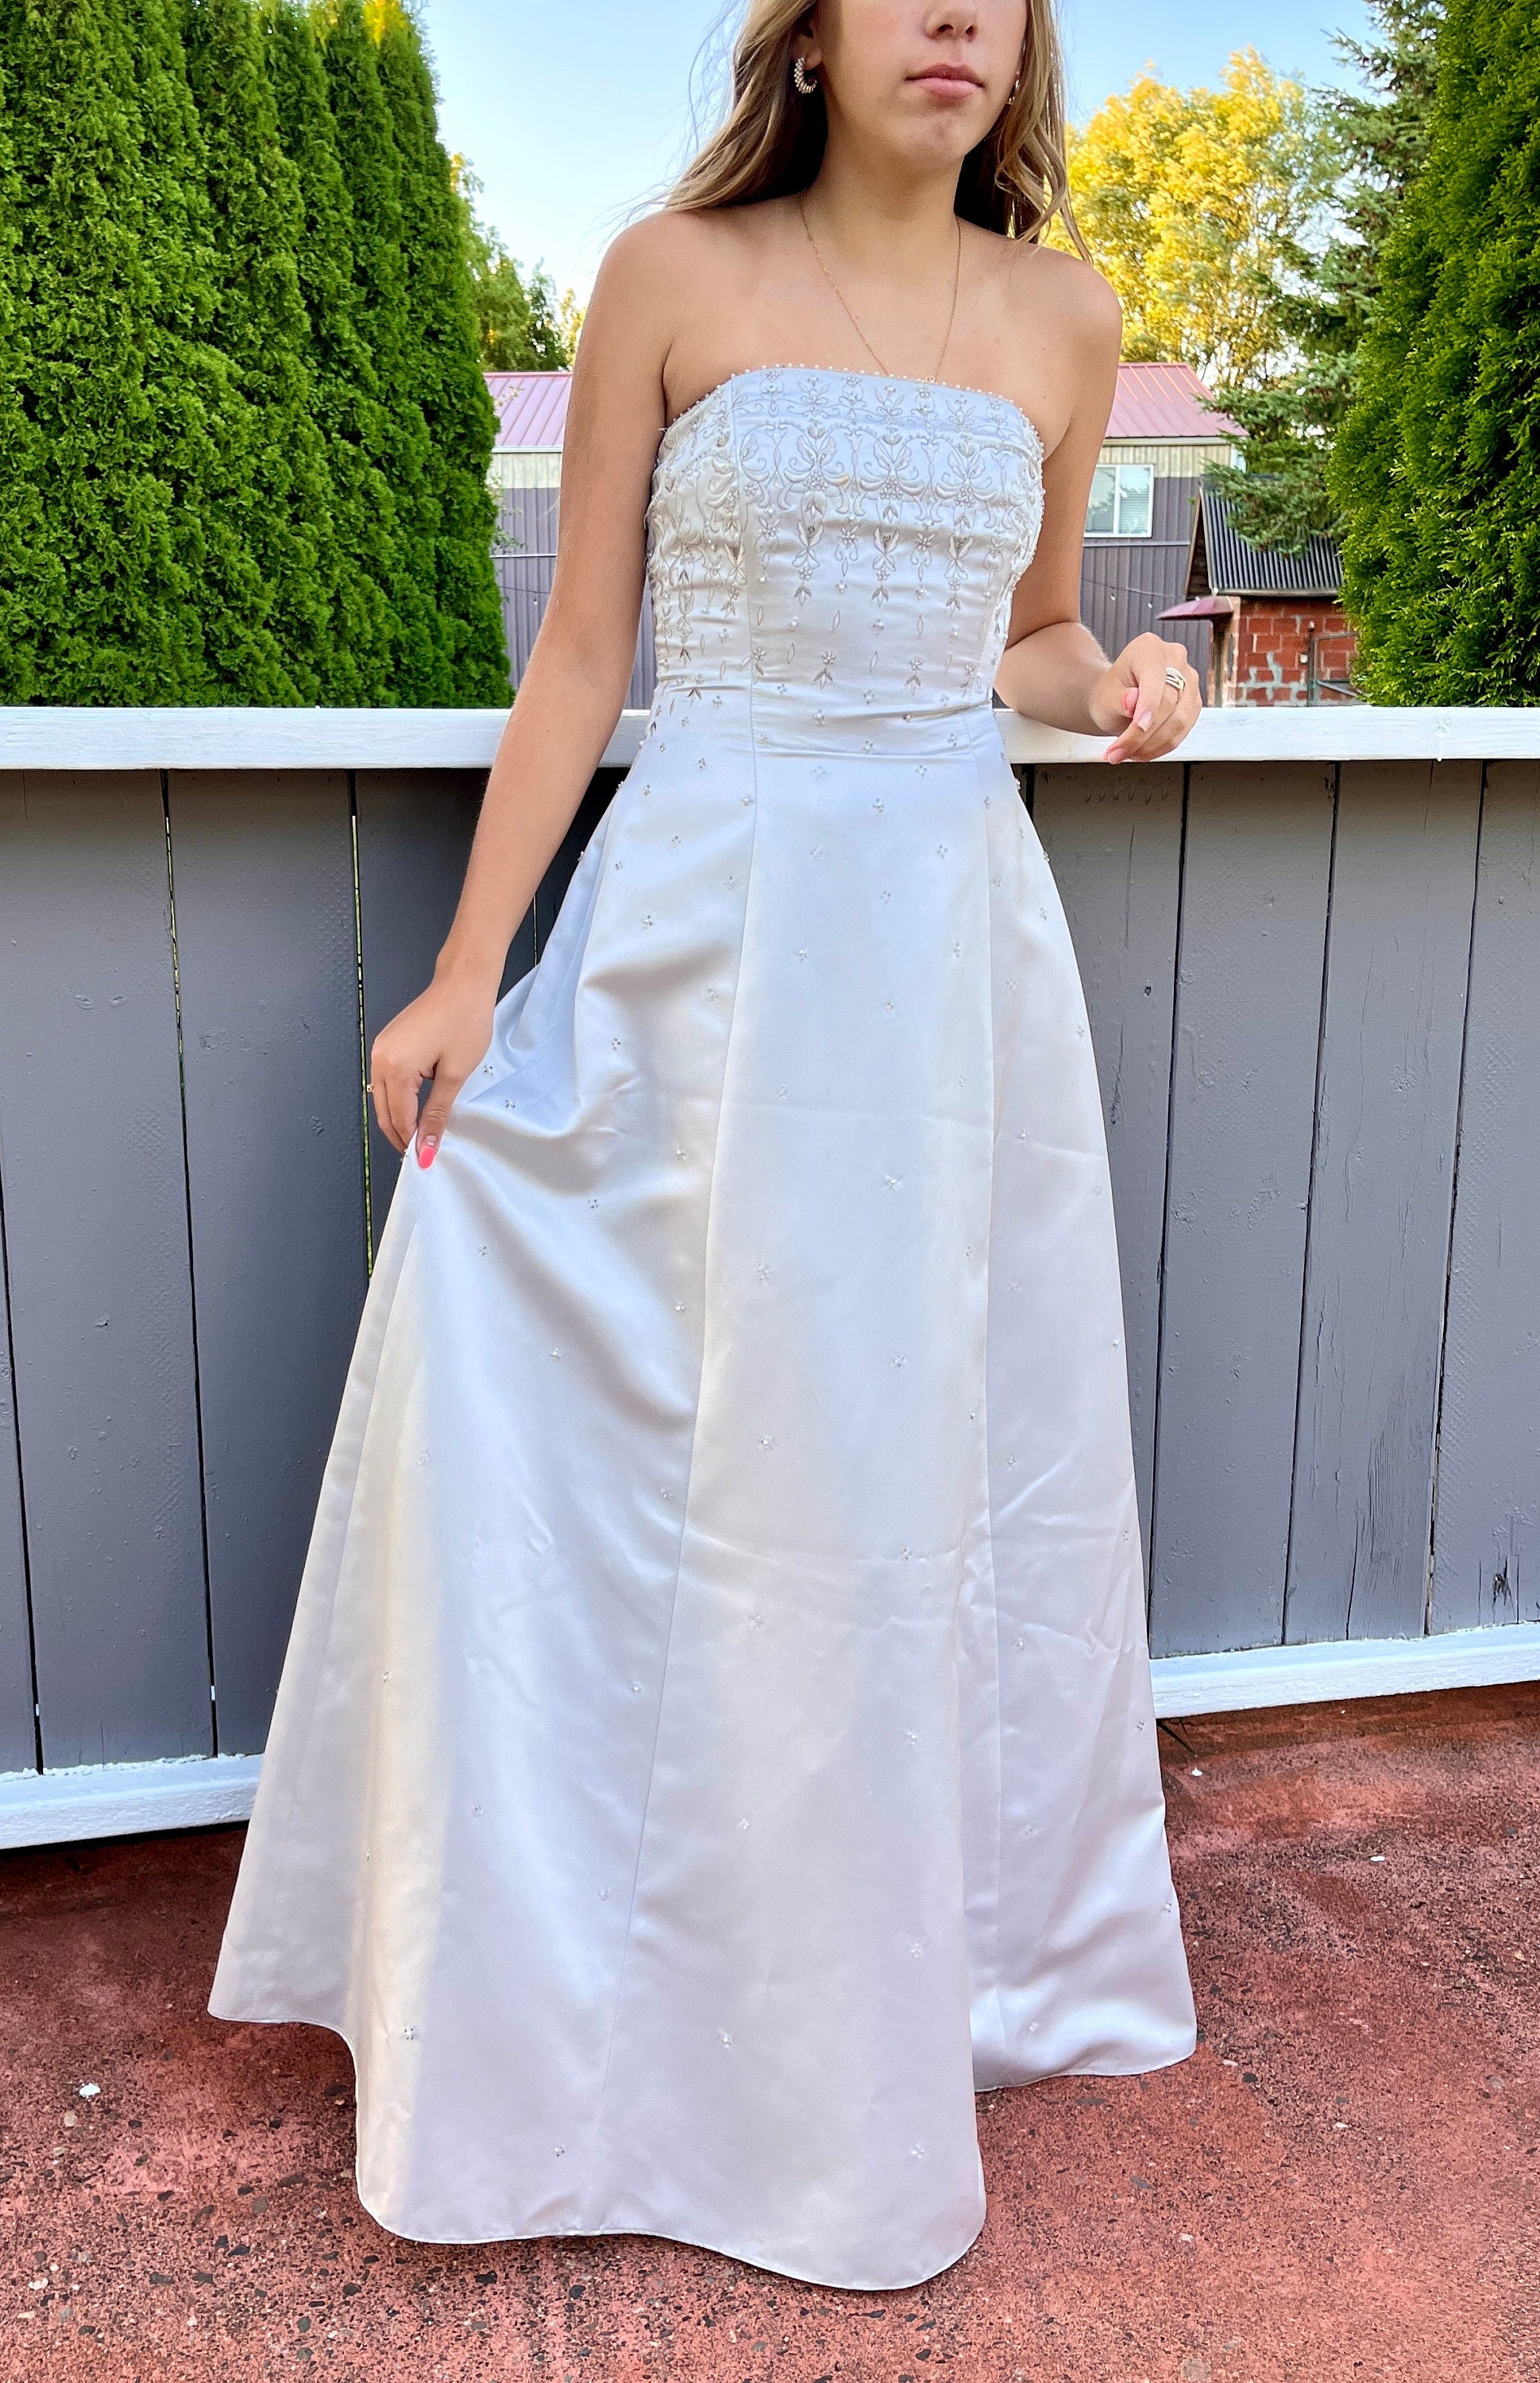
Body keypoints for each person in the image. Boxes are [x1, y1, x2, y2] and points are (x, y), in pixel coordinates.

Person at [207, 0, 1202, 2293]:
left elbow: (1036, 636)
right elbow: (582, 657)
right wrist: (468, 974)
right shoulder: (668, 271)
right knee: (617, 1418)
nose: (956, 16)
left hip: (940, 949)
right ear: (815, 31)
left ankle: (857, 1999)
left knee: (892, 1461)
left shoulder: (1068, 310)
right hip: (699, 911)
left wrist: (1131, 692)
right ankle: (570, 1991)